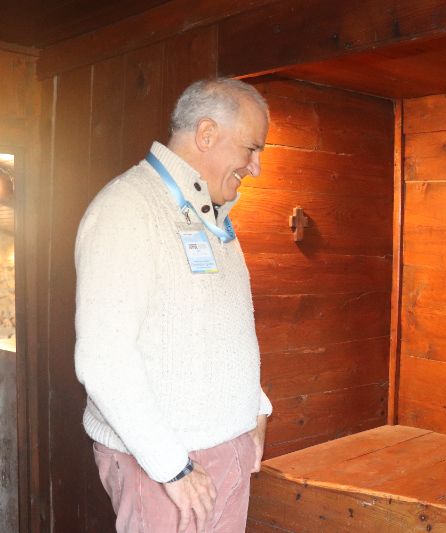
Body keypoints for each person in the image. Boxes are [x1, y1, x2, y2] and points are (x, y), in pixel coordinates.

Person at [74, 77, 272, 533]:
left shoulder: (210, 216)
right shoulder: (127, 208)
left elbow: (222, 325)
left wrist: (255, 406)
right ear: (207, 134)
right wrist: (172, 468)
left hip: (223, 450)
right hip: (168, 466)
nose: (256, 168)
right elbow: (104, 358)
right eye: (251, 149)